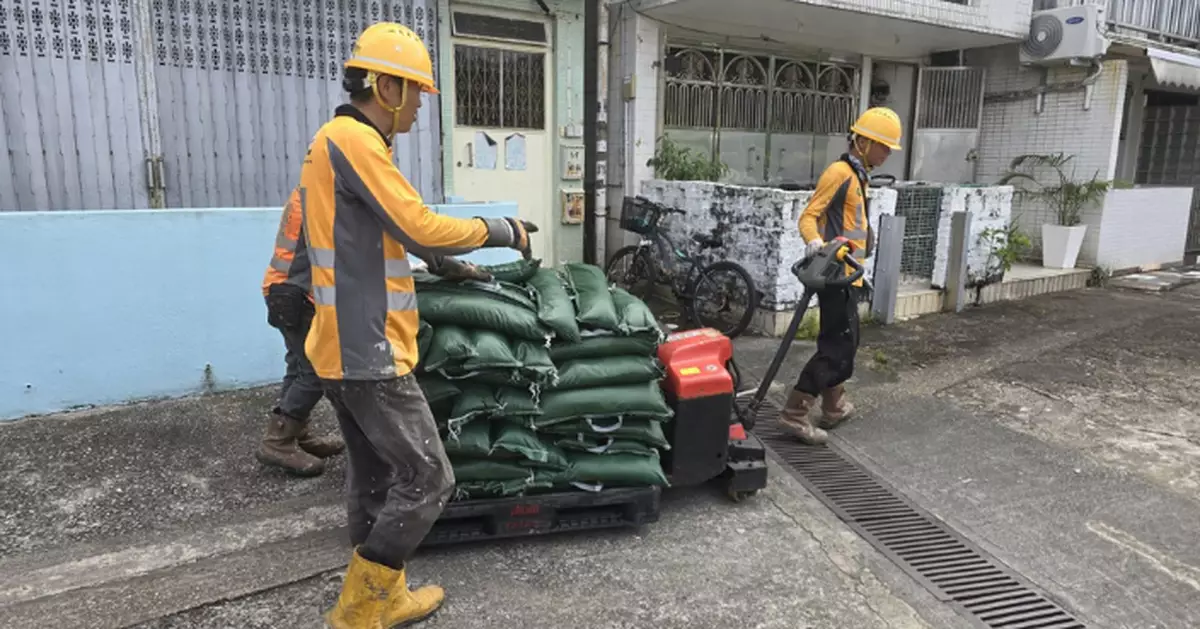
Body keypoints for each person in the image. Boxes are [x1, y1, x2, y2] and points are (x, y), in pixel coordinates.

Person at [301, 22, 536, 629]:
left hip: (339, 344)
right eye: (417, 93)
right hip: (368, 348)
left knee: (376, 475)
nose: (420, 107)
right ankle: (362, 607)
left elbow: (385, 228)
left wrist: (445, 264)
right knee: (430, 477)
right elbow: (417, 221)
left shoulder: (338, 142)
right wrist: (500, 230)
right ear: (387, 87)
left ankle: (382, 593)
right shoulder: (354, 140)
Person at [779, 107, 902, 445]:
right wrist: (816, 244)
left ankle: (834, 406)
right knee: (837, 351)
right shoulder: (839, 173)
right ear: (864, 142)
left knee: (844, 343)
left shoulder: (858, 175)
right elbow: (809, 216)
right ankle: (794, 413)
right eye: (884, 146)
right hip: (836, 276)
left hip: (849, 276)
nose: (887, 153)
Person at [258, 187, 346, 477]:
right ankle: (278, 441)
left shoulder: (305, 191)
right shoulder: (323, 195)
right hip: (296, 294)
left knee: (297, 366)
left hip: (281, 289)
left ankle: (296, 433)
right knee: (317, 370)